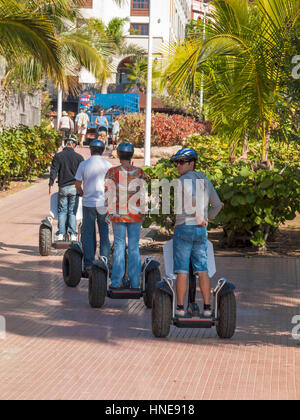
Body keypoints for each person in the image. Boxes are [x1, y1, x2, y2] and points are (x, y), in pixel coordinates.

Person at [170, 148, 223, 318]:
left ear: (191, 163)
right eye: (176, 162)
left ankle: (180, 308)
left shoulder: (183, 180)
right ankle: (207, 308)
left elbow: (191, 198)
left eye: (181, 162)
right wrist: (207, 219)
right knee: (202, 270)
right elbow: (217, 205)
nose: (177, 165)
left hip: (185, 228)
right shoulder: (205, 180)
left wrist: (198, 215)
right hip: (201, 231)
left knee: (182, 270)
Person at [105, 142, 146, 290]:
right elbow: (144, 194)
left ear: (119, 155)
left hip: (118, 215)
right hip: (135, 216)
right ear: (132, 154)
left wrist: (108, 212)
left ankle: (116, 282)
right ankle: (135, 283)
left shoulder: (112, 172)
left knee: (119, 246)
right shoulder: (140, 172)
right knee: (134, 247)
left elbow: (108, 194)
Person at [75, 140, 112, 274]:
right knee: (104, 233)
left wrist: (82, 193)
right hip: (103, 203)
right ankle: (104, 262)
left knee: (88, 233)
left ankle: (89, 264)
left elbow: (77, 183)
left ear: (90, 150)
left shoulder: (84, 164)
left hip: (88, 203)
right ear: (102, 151)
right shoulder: (108, 165)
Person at [49, 136, 84, 242]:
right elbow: (83, 174)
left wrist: (50, 184)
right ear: (74, 145)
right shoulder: (79, 157)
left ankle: (60, 234)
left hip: (63, 187)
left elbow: (54, 170)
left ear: (66, 144)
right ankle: (73, 234)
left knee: (62, 211)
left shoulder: (58, 156)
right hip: (74, 187)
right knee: (72, 212)